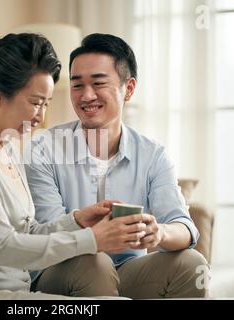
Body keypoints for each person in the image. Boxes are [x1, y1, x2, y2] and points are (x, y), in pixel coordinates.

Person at [0, 33, 145, 300]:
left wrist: (76, 221)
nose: (40, 117)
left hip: (15, 292)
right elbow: (4, 247)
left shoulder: (9, 147)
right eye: (36, 102)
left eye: (46, 104)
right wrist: (93, 239)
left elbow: (26, 233)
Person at [25, 33, 209, 298]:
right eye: (77, 86)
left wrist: (159, 233)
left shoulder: (152, 154)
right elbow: (50, 236)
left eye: (98, 83)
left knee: (192, 265)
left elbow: (184, 227)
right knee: (94, 265)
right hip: (62, 269)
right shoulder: (43, 149)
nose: (86, 96)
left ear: (129, 88)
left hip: (127, 269)